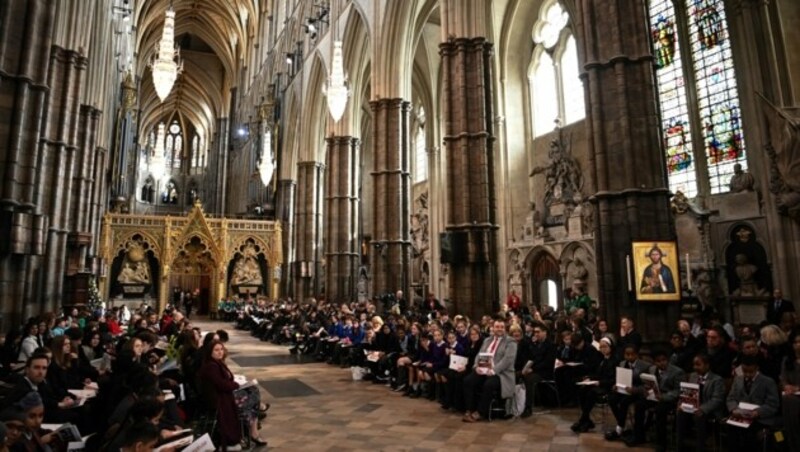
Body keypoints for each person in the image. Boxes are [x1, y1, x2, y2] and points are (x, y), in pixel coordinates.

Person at [198, 340, 267, 451]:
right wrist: (235, 384)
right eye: (216, 350)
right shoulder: (211, 366)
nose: (220, 352)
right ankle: (252, 431)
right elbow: (222, 384)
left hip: (224, 394)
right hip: (219, 399)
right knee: (251, 399)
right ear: (210, 352)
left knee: (252, 392)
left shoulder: (217, 363)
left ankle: (253, 427)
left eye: (221, 349)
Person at [462, 319, 517, 422]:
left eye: (501, 327)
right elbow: (479, 355)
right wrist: (476, 366)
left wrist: (494, 370)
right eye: (497, 327)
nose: (499, 329)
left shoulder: (511, 342)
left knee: (489, 384)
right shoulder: (487, 340)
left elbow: (507, 360)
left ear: (505, 329)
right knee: (468, 380)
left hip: (502, 373)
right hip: (484, 370)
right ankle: (470, 409)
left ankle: (480, 412)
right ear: (493, 328)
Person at [628, 349, 684, 449]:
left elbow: (678, 391)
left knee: (660, 410)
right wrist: (646, 390)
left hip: (668, 399)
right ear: (654, 362)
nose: (662, 363)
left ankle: (661, 442)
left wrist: (663, 397)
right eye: (658, 361)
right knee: (639, 405)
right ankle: (639, 436)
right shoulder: (652, 369)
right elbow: (647, 384)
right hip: (654, 396)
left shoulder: (677, 372)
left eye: (664, 360)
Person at [725, 355, 780, 450]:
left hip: (760, 418)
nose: (747, 375)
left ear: (757, 368)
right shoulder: (738, 380)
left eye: (751, 372)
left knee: (750, 434)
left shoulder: (768, 382)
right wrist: (734, 409)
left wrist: (757, 412)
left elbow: (773, 404)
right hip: (740, 415)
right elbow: (730, 398)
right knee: (731, 430)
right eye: (745, 371)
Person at [676, 353, 727, 452]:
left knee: (699, 416)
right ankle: (681, 447)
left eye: (698, 364)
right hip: (694, 406)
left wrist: (703, 409)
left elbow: (717, 400)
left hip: (710, 410)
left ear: (707, 365)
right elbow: (687, 393)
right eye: (694, 364)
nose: (695, 367)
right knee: (681, 413)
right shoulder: (693, 376)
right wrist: (681, 404)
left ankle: (700, 448)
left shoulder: (717, 380)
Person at [604, 344, 649, 442]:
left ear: (636, 355)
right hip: (624, 389)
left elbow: (646, 385)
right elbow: (620, 378)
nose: (629, 357)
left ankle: (620, 428)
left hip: (636, 392)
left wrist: (634, 389)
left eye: (631, 354)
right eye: (627, 354)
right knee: (612, 399)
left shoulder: (644, 366)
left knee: (624, 402)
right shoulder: (622, 363)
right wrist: (616, 385)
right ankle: (621, 423)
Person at [573, 338, 616, 433]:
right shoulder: (603, 359)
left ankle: (583, 420)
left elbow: (614, 379)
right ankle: (586, 420)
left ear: (611, 347)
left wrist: (600, 382)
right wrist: (589, 378)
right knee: (582, 391)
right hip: (599, 384)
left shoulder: (615, 360)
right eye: (601, 347)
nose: (602, 349)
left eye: (605, 347)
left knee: (591, 393)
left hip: (609, 387)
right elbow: (598, 374)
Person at [780, 333, 800, 452]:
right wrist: (786, 386)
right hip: (791, 395)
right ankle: (793, 442)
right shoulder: (787, 360)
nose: (798, 345)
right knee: (788, 399)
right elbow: (783, 378)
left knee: (790, 400)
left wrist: (797, 388)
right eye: (795, 342)